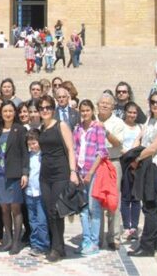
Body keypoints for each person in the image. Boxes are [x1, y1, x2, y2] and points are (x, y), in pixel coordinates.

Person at [128, 92, 157, 258]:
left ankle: (147, 245)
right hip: (145, 164)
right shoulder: (150, 119)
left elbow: (154, 147)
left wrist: (136, 159)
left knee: (149, 205)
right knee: (151, 203)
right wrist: (133, 153)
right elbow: (141, 137)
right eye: (153, 102)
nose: (156, 105)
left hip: (156, 165)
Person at [37, 95, 78, 262]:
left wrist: (73, 171)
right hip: (45, 174)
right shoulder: (41, 128)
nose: (45, 110)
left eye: (48, 107)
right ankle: (58, 246)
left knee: (56, 211)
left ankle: (57, 248)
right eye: (42, 108)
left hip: (60, 173)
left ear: (53, 110)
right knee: (49, 211)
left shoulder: (61, 125)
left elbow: (70, 149)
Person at [0, 100, 29, 255]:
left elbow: (25, 153)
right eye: (5, 111)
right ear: (1, 113)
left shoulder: (20, 129)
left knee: (15, 208)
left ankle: (17, 242)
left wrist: (25, 172)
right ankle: (9, 239)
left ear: (15, 112)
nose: (8, 114)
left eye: (10, 111)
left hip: (14, 174)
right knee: (4, 208)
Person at [73, 99, 108, 256]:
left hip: (93, 172)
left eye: (87, 110)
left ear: (92, 111)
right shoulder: (78, 128)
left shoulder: (97, 128)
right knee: (83, 208)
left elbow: (102, 152)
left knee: (94, 208)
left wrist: (90, 172)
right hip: (80, 172)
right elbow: (75, 149)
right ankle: (86, 239)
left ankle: (94, 241)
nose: (85, 113)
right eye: (82, 111)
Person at [96, 92, 125, 250]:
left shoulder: (118, 122)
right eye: (102, 102)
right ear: (97, 105)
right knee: (97, 201)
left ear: (113, 106)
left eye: (108, 103)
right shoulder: (91, 120)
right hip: (95, 164)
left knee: (113, 201)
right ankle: (97, 236)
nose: (105, 105)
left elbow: (117, 144)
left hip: (112, 162)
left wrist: (105, 132)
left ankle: (114, 237)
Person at [24, 129, 49, 257]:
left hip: (40, 193)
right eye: (30, 144)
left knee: (41, 220)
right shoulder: (28, 156)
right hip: (29, 192)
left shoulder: (43, 155)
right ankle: (34, 243)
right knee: (32, 220)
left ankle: (43, 244)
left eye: (34, 143)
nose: (32, 146)